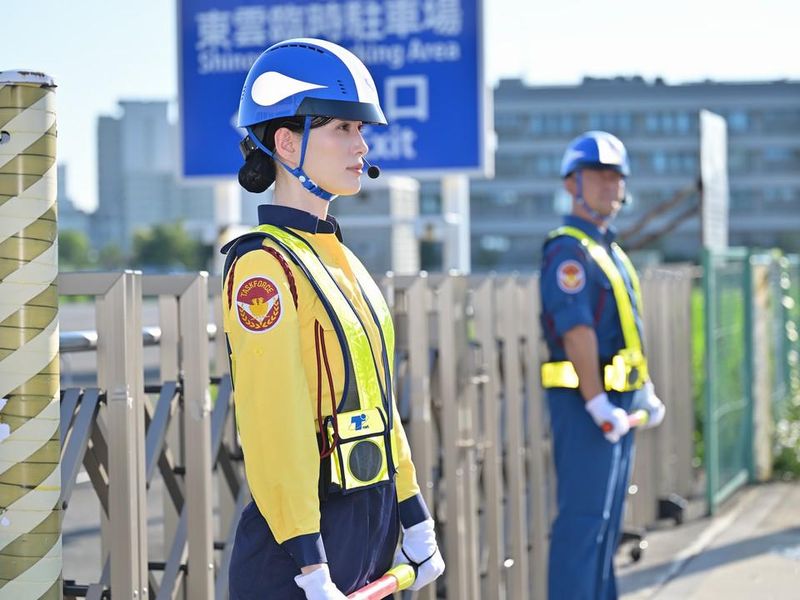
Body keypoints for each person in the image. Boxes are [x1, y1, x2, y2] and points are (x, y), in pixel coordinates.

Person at [221, 38, 445, 599]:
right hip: (303, 543)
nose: (361, 144)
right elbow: (275, 419)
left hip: (367, 520)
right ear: (287, 140)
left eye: (361, 130)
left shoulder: (340, 257)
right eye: (342, 127)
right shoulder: (263, 264)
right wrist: (308, 559)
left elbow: (379, 404)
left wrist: (414, 514)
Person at [538, 131, 667, 599]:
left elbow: (627, 331)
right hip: (586, 406)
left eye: (615, 177)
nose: (607, 185)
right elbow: (577, 332)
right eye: (595, 175)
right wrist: (595, 402)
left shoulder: (608, 248)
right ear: (571, 183)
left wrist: (644, 390)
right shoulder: (568, 250)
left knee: (607, 525)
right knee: (584, 524)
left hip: (618, 403)